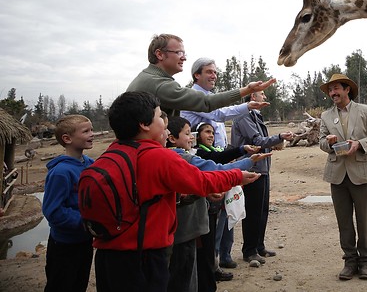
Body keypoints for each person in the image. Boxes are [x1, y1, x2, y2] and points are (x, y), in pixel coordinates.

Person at [93, 91, 260, 292]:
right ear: (145, 125)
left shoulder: (109, 155)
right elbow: (201, 181)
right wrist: (237, 176)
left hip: (106, 254)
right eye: (158, 117)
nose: (164, 123)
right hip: (144, 254)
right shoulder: (159, 157)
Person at [181, 57, 268, 269]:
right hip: (203, 163)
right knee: (211, 217)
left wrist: (235, 153)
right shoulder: (195, 97)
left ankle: (222, 257)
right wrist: (247, 104)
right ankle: (211, 263)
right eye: (209, 72)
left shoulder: (209, 97)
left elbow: (220, 135)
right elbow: (219, 114)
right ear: (196, 75)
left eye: (215, 72)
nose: (214, 76)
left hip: (219, 160)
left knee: (227, 210)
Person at [165, 117, 265, 292]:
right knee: (188, 273)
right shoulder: (181, 157)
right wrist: (247, 163)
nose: (191, 138)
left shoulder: (185, 154)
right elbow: (214, 168)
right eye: (188, 134)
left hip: (189, 229)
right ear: (171, 138)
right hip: (186, 231)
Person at [318, 74, 367, 281]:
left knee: (364, 221)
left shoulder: (365, 111)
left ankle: (366, 263)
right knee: (344, 222)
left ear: (347, 89)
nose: (332, 93)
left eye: (336, 88)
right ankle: (349, 261)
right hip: (337, 175)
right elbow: (321, 142)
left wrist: (359, 144)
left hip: (361, 174)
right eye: (330, 90)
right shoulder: (326, 116)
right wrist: (329, 143)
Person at [127, 34, 276, 117]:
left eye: (184, 53)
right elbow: (207, 103)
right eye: (178, 52)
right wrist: (248, 90)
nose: (184, 58)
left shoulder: (150, 78)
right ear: (159, 54)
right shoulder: (159, 84)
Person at [230, 90, 294, 264]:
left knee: (262, 210)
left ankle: (259, 246)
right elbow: (257, 141)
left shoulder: (255, 117)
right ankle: (249, 250)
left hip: (262, 168)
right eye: (262, 94)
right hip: (251, 168)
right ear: (253, 97)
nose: (265, 97)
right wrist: (279, 137)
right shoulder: (244, 117)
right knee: (252, 211)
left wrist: (275, 142)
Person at [42, 115, 95, 292]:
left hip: (85, 240)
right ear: (67, 138)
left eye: (92, 130)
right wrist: (86, 221)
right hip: (64, 244)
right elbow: (53, 211)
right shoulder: (61, 172)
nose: (92, 134)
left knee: (80, 283)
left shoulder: (91, 164)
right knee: (61, 285)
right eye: (86, 131)